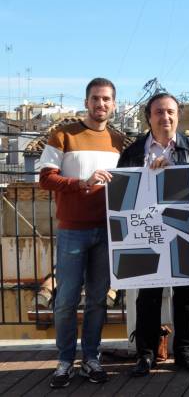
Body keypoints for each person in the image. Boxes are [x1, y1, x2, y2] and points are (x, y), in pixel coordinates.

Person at [118, 92, 189, 377]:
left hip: (184, 233)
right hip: (147, 234)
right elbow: (123, 186)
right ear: (148, 117)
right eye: (159, 112)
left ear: (178, 116)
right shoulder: (134, 151)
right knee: (147, 296)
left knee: (186, 296)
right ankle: (145, 355)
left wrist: (175, 169)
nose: (166, 117)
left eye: (171, 112)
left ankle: (184, 352)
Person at [39, 78, 126, 388]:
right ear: (86, 101)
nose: (100, 104)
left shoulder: (118, 141)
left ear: (114, 104)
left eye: (106, 99)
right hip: (73, 231)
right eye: (95, 99)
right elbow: (46, 179)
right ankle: (65, 360)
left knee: (98, 301)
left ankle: (91, 358)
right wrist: (80, 183)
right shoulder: (62, 134)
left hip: (107, 231)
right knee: (65, 300)